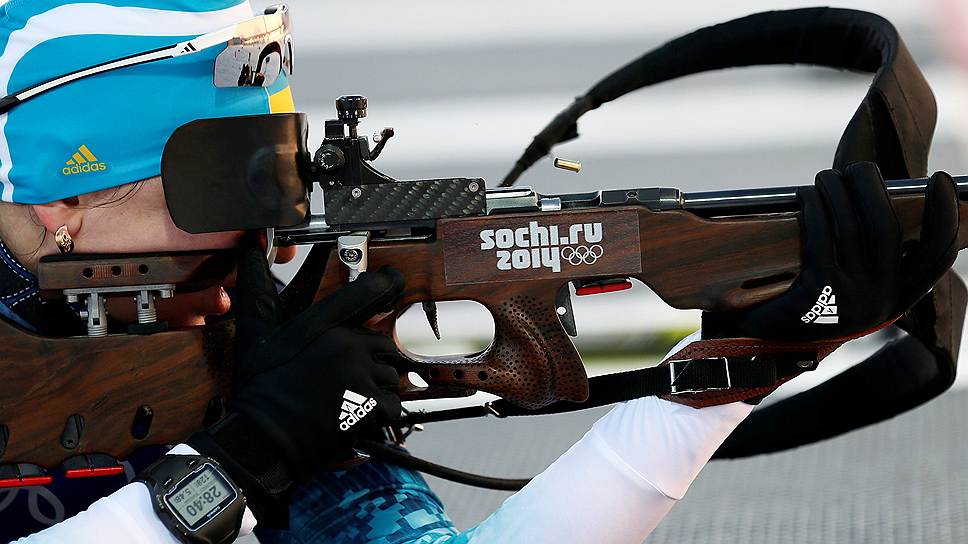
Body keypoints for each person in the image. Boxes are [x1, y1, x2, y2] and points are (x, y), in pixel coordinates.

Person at [1, 1, 958, 543]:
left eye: (275, 184)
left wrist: (735, 368)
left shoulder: (256, 349)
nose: (265, 240)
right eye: (213, 192)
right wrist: (235, 465)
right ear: (63, 201)